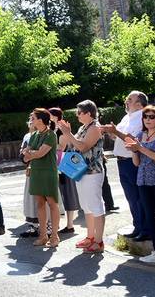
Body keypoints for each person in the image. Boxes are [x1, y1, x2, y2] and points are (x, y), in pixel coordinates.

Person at [106, 105, 155, 267]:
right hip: (143, 181)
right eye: (145, 117)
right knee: (150, 217)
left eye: (152, 116)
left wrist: (140, 148)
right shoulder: (140, 135)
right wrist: (135, 151)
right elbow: (137, 163)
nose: (148, 119)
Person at [57, 100, 106, 254]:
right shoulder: (83, 127)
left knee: (96, 205)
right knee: (86, 205)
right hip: (81, 171)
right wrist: (65, 134)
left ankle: (99, 241)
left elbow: (83, 146)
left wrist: (68, 134)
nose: (77, 115)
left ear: (88, 113)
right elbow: (70, 145)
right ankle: (90, 237)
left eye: (79, 112)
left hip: (93, 171)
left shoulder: (96, 127)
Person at [105, 91, 150, 241]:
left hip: (133, 161)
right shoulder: (126, 117)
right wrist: (112, 134)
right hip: (121, 160)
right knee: (131, 197)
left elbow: (132, 140)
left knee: (139, 197)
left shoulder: (144, 117)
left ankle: (145, 229)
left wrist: (115, 131)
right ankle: (137, 226)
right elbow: (120, 136)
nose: (126, 101)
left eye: (130, 99)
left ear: (139, 103)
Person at [22, 108, 60, 248]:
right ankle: (43, 236)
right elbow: (26, 157)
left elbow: (40, 154)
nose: (31, 119)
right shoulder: (34, 135)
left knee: (52, 203)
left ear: (41, 119)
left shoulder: (51, 135)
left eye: (33, 117)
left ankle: (54, 236)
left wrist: (30, 152)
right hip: (36, 172)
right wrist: (31, 153)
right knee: (39, 203)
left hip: (48, 172)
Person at [51, 107, 80, 236]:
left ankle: (70, 225)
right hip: (60, 162)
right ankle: (65, 224)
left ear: (56, 116)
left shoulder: (62, 128)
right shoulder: (53, 128)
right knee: (61, 193)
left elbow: (62, 147)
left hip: (65, 163)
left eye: (50, 114)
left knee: (68, 192)